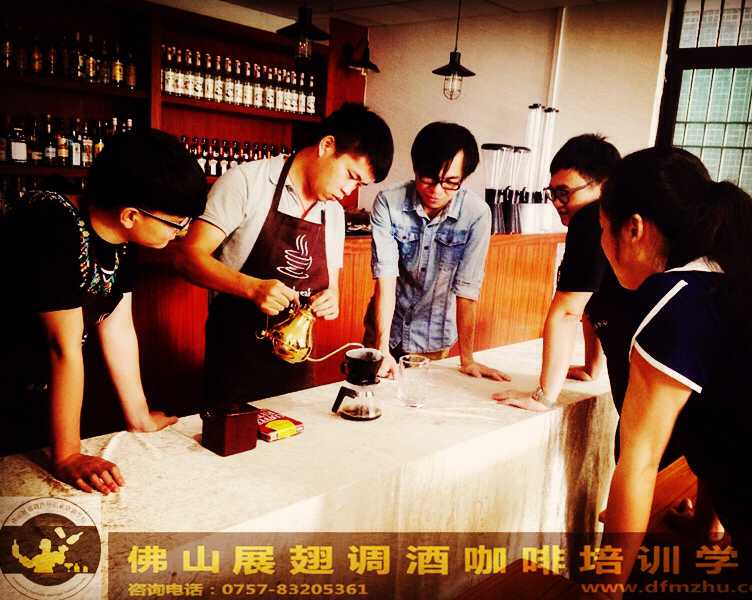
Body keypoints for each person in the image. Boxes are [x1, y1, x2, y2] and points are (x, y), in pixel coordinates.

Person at [597, 146, 752, 585]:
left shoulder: (673, 300)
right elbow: (727, 414)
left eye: (601, 229)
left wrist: (603, 588)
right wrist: (707, 523)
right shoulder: (745, 281)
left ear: (633, 228)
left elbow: (639, 461)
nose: (601, 244)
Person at [0, 129, 208, 494]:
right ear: (130, 215)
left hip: (48, 392)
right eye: (177, 223)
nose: (182, 233)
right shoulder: (52, 222)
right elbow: (63, 347)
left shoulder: (122, 241)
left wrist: (139, 416)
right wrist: (68, 455)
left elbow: (118, 328)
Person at [174, 104, 394, 403]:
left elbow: (331, 286)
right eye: (350, 176)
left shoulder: (333, 213)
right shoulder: (248, 182)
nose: (349, 190)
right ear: (327, 145)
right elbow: (187, 256)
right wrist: (252, 288)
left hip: (295, 362)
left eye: (360, 184)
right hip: (235, 358)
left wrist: (331, 299)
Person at [492, 135, 630, 413]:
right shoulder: (611, 220)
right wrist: (591, 367)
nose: (556, 202)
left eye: (565, 193)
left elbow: (567, 312)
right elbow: (590, 300)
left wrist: (542, 397)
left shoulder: (589, 219)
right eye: (552, 193)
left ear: (603, 186)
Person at [365, 121, 509, 381]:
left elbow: (467, 288)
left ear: (463, 178)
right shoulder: (389, 202)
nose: (436, 191)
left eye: (450, 182)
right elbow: (385, 275)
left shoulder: (476, 214)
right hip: (384, 329)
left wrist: (468, 359)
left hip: (433, 337)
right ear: (416, 169)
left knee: (419, 399)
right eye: (428, 179)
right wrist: (382, 348)